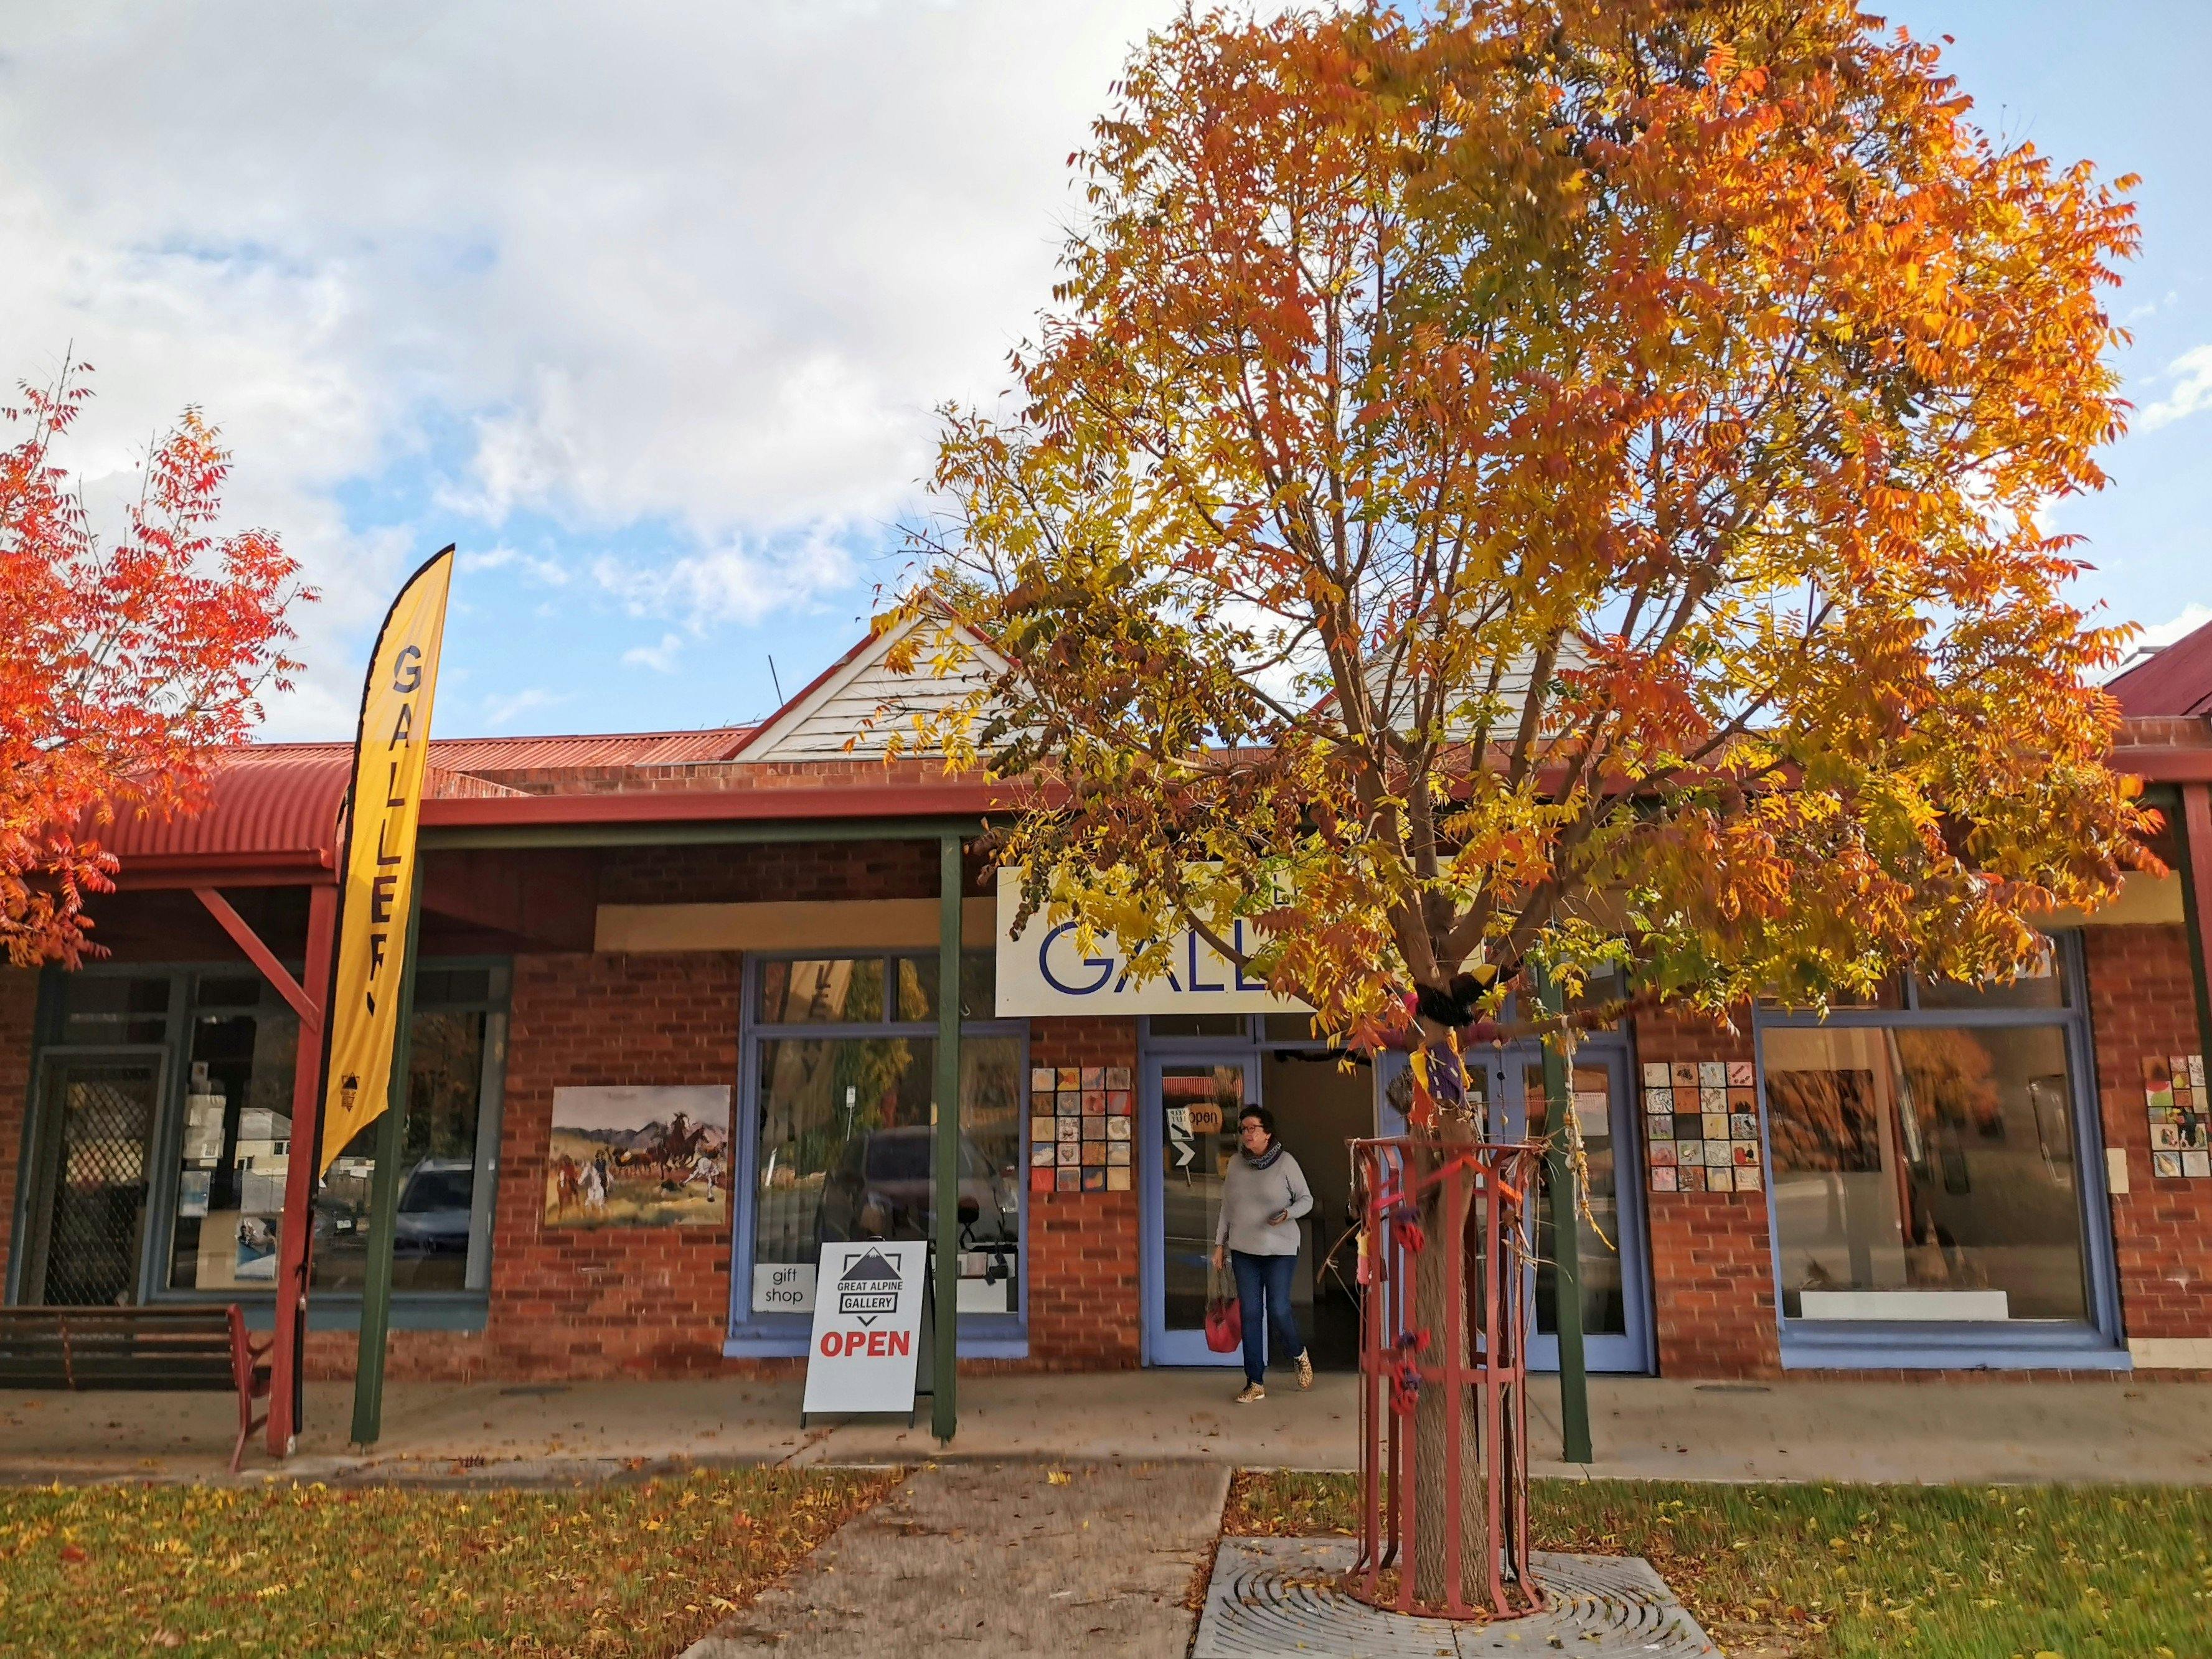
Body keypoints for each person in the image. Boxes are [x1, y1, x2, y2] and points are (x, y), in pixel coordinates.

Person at [1210, 1104, 1314, 1403]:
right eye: (1243, 1129)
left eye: (1252, 1128)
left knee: (1279, 1309)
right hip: (1244, 1251)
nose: (1247, 1134)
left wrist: (1288, 1213)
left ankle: (1298, 1353)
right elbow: (1227, 1207)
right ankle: (1254, 1382)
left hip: (1280, 1249)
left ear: (1267, 1133)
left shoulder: (1286, 1163)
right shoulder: (1235, 1165)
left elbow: (1306, 1199)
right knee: (1251, 1314)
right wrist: (1220, 1244)